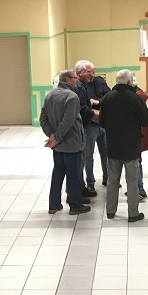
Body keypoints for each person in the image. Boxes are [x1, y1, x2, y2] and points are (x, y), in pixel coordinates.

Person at [99, 69, 148, 222]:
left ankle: (110, 211)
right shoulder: (135, 98)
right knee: (132, 182)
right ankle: (133, 214)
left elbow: (102, 122)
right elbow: (146, 121)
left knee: (112, 180)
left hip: (113, 146)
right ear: (129, 82)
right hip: (131, 147)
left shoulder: (107, 97)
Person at [40, 69, 89, 215]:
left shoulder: (50, 95)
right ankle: (75, 205)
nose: (77, 80)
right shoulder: (71, 96)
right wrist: (56, 137)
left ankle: (54, 204)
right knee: (74, 175)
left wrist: (52, 135)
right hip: (72, 144)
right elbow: (68, 121)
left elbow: (43, 118)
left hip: (58, 146)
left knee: (58, 174)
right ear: (67, 80)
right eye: (75, 78)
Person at [75, 60, 110, 194]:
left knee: (106, 153)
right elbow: (83, 106)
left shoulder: (100, 81)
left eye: (94, 72)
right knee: (88, 156)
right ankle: (90, 182)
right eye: (89, 72)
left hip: (103, 124)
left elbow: (109, 96)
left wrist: (97, 102)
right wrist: (97, 106)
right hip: (89, 126)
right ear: (80, 73)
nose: (92, 75)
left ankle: (108, 178)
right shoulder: (79, 87)